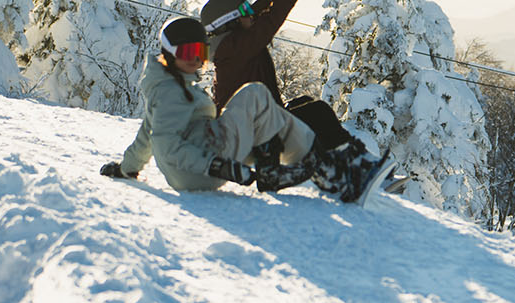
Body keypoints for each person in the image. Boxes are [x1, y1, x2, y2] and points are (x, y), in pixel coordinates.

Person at [99, 16, 384, 202]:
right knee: (254, 94)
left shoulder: (166, 86)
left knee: (266, 117)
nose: (196, 60)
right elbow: (168, 144)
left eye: (201, 53)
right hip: (202, 165)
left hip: (199, 160)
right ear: (169, 53)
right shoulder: (170, 91)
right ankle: (335, 174)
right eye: (187, 53)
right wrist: (216, 165)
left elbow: (147, 135)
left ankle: (325, 172)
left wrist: (126, 168)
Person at [201, 0, 401, 192]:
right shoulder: (236, 47)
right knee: (316, 113)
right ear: (229, 23)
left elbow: (260, 8)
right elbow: (271, 19)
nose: (251, 12)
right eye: (243, 11)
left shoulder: (234, 41)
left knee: (304, 103)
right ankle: (359, 171)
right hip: (251, 136)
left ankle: (360, 167)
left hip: (258, 123)